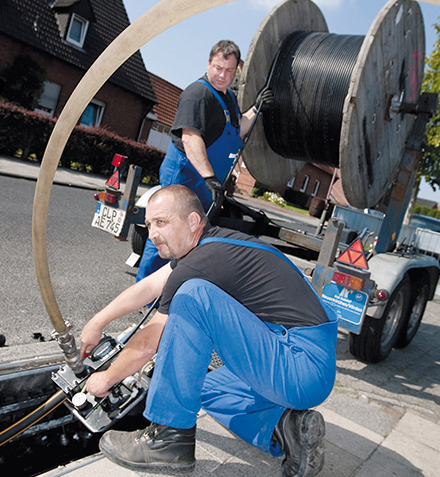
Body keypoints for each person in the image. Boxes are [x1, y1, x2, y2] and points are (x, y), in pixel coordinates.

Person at [81, 185, 338, 477]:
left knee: (193, 296)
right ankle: (285, 428)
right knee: (205, 388)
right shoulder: (211, 246)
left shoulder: (203, 263)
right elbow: (152, 284)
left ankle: (168, 438)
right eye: (149, 224)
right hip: (298, 362)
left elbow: (150, 341)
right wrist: (97, 322)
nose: (152, 233)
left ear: (192, 221)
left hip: (299, 366)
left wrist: (107, 378)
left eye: (162, 222)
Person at [136, 39, 274, 281]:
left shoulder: (228, 98)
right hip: (185, 178)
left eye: (229, 70)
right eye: (218, 68)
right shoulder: (197, 95)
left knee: (189, 239)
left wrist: (256, 108)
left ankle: (171, 289)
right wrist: (210, 178)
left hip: (205, 184)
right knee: (166, 236)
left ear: (237, 70)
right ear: (209, 63)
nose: (223, 75)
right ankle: (147, 293)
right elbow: (190, 139)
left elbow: (239, 127)